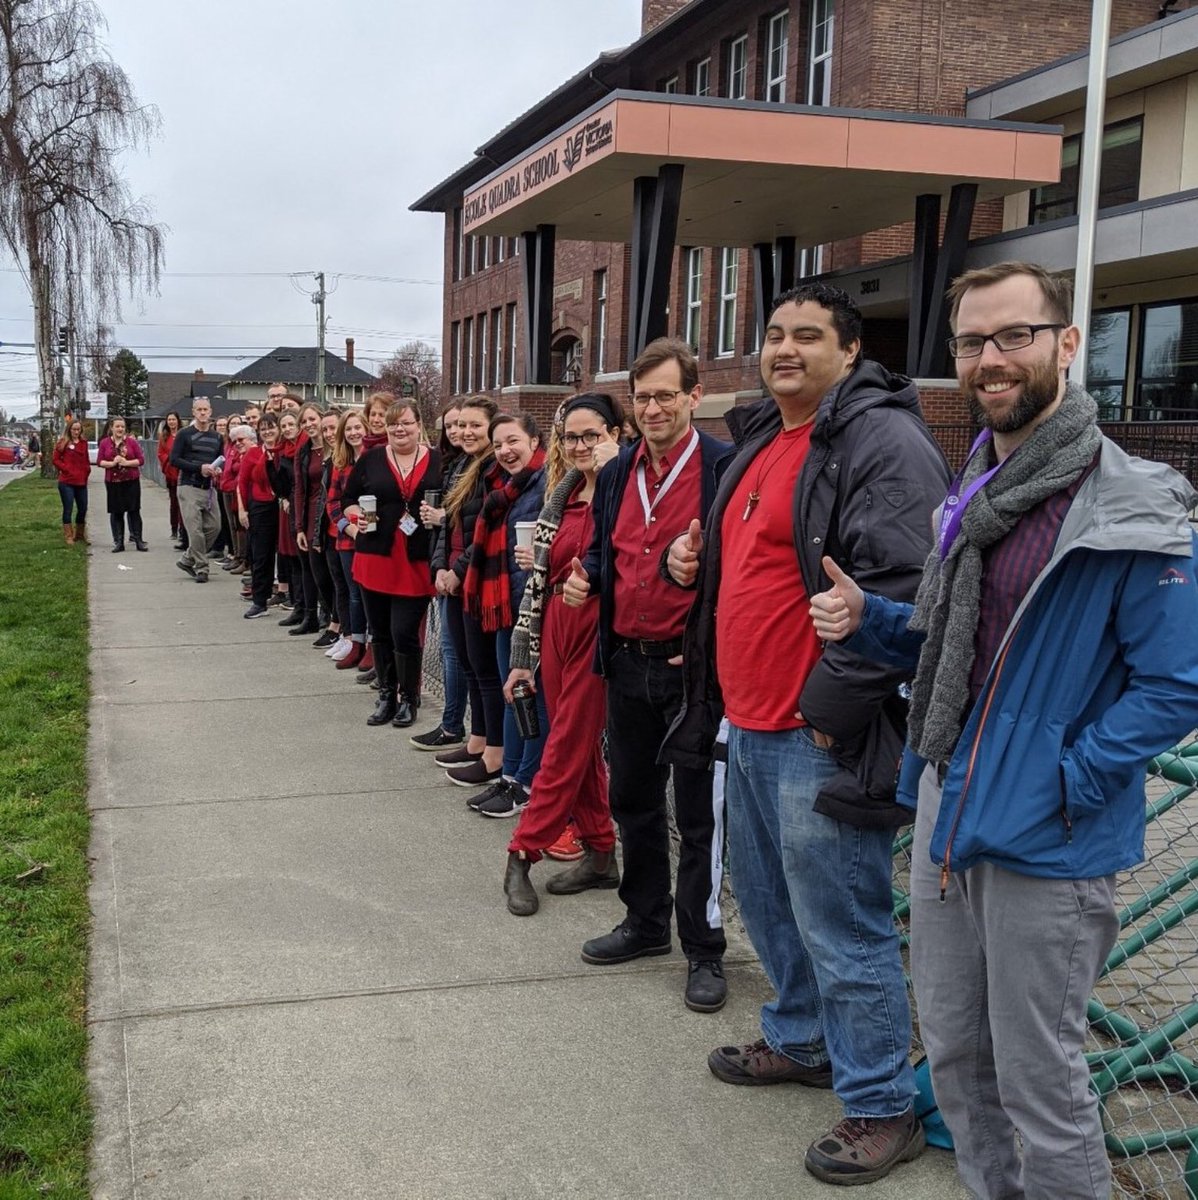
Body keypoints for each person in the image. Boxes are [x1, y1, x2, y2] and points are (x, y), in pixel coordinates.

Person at [808, 261, 1198, 1200]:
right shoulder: (976, 488)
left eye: (1014, 335)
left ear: (1066, 344)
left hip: (1050, 831)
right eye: (973, 341)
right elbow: (959, 645)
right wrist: (876, 619)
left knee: (1040, 1081)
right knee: (953, 1054)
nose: (992, 358)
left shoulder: (1131, 498)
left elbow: (1178, 684)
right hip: (949, 794)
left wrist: (1073, 772)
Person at [663, 283, 950, 1185]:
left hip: (816, 732)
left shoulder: (883, 440)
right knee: (771, 904)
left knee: (844, 925)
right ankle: (799, 1039)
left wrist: (830, 716)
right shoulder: (761, 439)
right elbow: (750, 564)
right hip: (747, 722)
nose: (784, 349)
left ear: (852, 349)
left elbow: (906, 591)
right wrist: (690, 559)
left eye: (808, 337)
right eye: (775, 334)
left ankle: (879, 1103)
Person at [561, 336, 732, 1013]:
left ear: (694, 396)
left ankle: (704, 948)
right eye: (644, 396)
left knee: (696, 817)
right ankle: (645, 922)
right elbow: (606, 553)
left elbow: (745, 569)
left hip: (691, 671)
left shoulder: (725, 467)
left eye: (667, 394)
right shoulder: (615, 472)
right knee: (632, 799)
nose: (654, 406)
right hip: (626, 662)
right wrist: (588, 578)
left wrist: (698, 568)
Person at [502, 394, 624, 914]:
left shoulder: (625, 491)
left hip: (598, 627)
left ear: (615, 435)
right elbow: (538, 584)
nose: (579, 446)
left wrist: (614, 470)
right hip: (554, 623)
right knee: (573, 745)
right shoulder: (563, 491)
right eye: (570, 436)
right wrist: (522, 655)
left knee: (569, 740)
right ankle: (600, 853)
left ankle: (522, 852)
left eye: (590, 435)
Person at [464, 411, 548, 816]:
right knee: (513, 696)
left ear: (534, 440)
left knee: (530, 700)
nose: (505, 451)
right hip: (506, 609)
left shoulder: (548, 482)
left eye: (513, 441)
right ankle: (510, 778)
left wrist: (542, 557)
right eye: (498, 445)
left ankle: (526, 783)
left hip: (532, 609)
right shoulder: (504, 484)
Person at [342, 401, 441, 727]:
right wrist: (355, 519)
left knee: (404, 632)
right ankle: (386, 694)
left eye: (407, 423)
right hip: (375, 556)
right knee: (381, 631)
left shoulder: (438, 460)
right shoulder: (371, 459)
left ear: (418, 425)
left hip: (415, 559)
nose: (400, 430)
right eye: (394, 424)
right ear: (385, 427)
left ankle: (408, 697)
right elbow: (346, 500)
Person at [431, 397, 507, 789]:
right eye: (459, 425)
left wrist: (458, 572)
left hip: (479, 581)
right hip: (456, 578)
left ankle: (495, 753)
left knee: (486, 671)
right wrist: (441, 567)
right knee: (470, 665)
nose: (464, 432)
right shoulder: (462, 465)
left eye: (475, 425)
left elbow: (487, 530)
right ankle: (477, 739)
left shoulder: (496, 470)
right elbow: (449, 526)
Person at [411, 404, 469, 752]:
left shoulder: (480, 466)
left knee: (456, 654)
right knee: (450, 650)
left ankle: (455, 726)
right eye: (451, 426)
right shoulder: (451, 463)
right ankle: (451, 723)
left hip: (464, 571)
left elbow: (472, 521)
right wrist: (438, 568)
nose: (458, 432)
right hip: (445, 563)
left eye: (465, 425)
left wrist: (444, 516)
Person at [325, 409, 369, 669]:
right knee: (353, 594)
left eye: (357, 427)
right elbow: (333, 502)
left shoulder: (376, 460)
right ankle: (356, 643)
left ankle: (372, 647)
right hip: (347, 540)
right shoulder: (340, 463)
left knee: (369, 595)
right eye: (349, 429)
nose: (354, 433)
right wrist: (348, 528)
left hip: (372, 539)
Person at [292, 404, 336, 638]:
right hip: (310, 515)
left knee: (331, 572)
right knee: (313, 570)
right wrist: (299, 525)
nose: (309, 425)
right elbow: (299, 489)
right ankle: (313, 616)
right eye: (304, 422)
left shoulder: (336, 447)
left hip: (332, 513)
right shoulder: (304, 451)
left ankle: (333, 622)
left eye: (312, 419)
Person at [170, 398, 223, 582]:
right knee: (195, 530)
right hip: (188, 486)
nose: (202, 413)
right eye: (199, 409)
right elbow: (174, 459)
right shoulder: (184, 434)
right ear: (193, 412)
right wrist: (199, 467)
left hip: (208, 488)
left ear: (210, 411)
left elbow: (220, 458)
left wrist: (217, 469)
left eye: (205, 409)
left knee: (215, 527)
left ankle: (187, 559)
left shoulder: (217, 437)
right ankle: (202, 568)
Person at [237, 416, 280, 618]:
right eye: (263, 429)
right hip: (260, 507)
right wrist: (242, 509)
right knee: (261, 555)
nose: (267, 432)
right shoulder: (253, 453)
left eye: (271, 427)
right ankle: (259, 600)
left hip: (282, 505)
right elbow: (242, 482)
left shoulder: (285, 452)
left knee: (287, 556)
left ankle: (289, 596)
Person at [97, 417, 147, 553]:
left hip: (131, 480)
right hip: (113, 481)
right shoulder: (105, 443)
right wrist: (112, 463)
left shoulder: (131, 442)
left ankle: (138, 540)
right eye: (117, 426)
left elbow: (141, 460)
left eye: (122, 427)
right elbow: (100, 461)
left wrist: (126, 462)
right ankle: (119, 541)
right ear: (111, 428)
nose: (120, 429)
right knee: (116, 512)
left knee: (134, 510)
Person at [272, 409, 302, 618]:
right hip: (287, 506)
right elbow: (278, 481)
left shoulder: (304, 448)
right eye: (284, 426)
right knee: (289, 555)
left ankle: (303, 604)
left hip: (301, 506)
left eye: (291, 424)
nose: (288, 429)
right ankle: (296, 601)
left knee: (302, 559)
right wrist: (283, 497)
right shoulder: (281, 451)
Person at [52, 418, 91, 545]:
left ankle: (80, 534)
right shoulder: (63, 442)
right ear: (69, 430)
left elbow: (86, 459)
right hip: (67, 482)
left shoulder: (84, 443)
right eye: (74, 429)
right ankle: (69, 535)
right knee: (68, 508)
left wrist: (87, 471)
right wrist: (66, 469)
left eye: (78, 429)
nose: (76, 432)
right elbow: (56, 460)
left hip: (81, 481)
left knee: (83, 508)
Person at [157, 412, 184, 547]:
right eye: (169, 420)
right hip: (171, 472)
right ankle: (174, 528)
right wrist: (168, 460)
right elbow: (160, 453)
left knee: (183, 503)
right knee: (174, 503)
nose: (172, 422)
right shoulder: (164, 437)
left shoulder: (183, 434)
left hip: (182, 472)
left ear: (178, 421)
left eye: (174, 419)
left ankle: (182, 529)